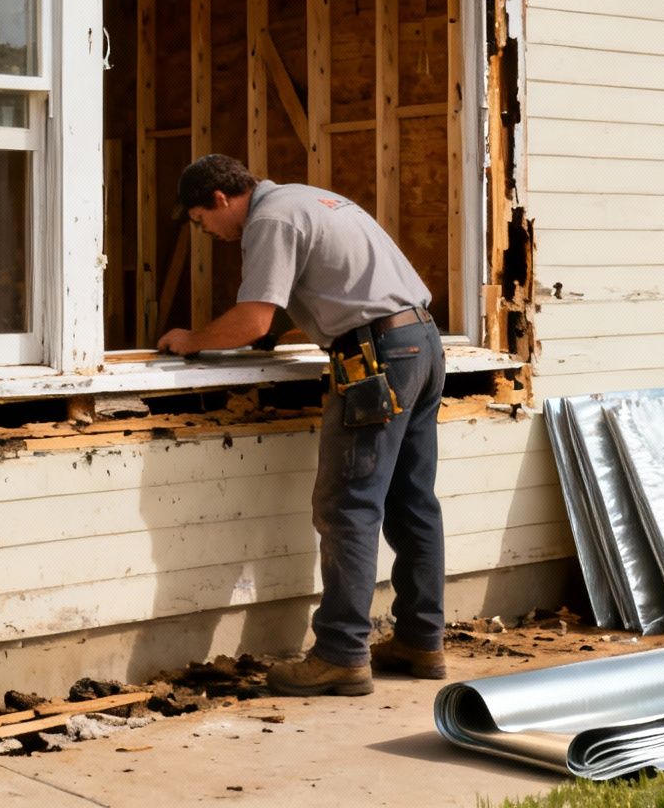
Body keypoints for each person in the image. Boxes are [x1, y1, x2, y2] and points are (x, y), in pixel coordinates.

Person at [157, 154, 447, 696]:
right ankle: (421, 640)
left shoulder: (269, 219)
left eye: (200, 221)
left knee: (348, 508)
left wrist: (192, 339)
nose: (208, 233)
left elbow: (253, 319)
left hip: (377, 358)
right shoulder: (310, 198)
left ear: (220, 200)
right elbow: (349, 289)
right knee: (412, 503)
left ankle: (340, 654)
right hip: (421, 343)